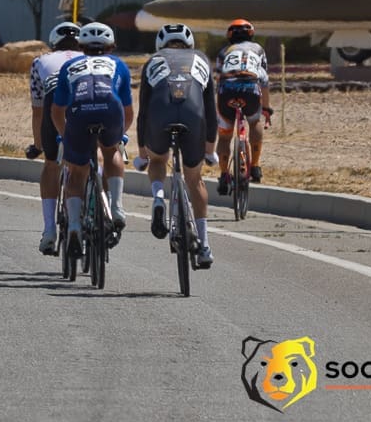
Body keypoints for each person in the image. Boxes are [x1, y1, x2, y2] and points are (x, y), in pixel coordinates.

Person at [134, 23, 218, 267]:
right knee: (195, 179)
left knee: (158, 159)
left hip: (160, 115)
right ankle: (204, 246)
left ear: (161, 44)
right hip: (194, 115)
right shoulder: (201, 59)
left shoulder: (153, 61)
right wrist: (211, 151)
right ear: (189, 44)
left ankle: (159, 197)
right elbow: (211, 112)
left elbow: (143, 114)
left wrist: (142, 155)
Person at [50, 22, 134, 258]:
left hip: (79, 113)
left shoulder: (70, 65)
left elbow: (57, 110)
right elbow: (128, 111)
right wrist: (119, 135)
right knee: (111, 152)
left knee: (77, 172)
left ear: (81, 45)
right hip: (110, 110)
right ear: (112, 46)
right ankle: (117, 208)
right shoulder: (119, 64)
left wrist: (66, 136)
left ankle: (75, 226)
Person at [25, 21, 82, 255]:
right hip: (86, 101)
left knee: (51, 165)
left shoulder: (40, 62)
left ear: (53, 44)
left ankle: (49, 230)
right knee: (88, 160)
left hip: (53, 104)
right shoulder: (93, 61)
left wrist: (38, 145)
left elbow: (38, 110)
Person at [215, 18, 272, 193]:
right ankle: (255, 166)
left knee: (225, 137)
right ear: (251, 34)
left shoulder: (223, 52)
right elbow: (263, 79)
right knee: (254, 123)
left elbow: (218, 78)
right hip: (250, 90)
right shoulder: (258, 50)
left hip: (227, 92)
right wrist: (266, 108)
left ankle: (224, 175)